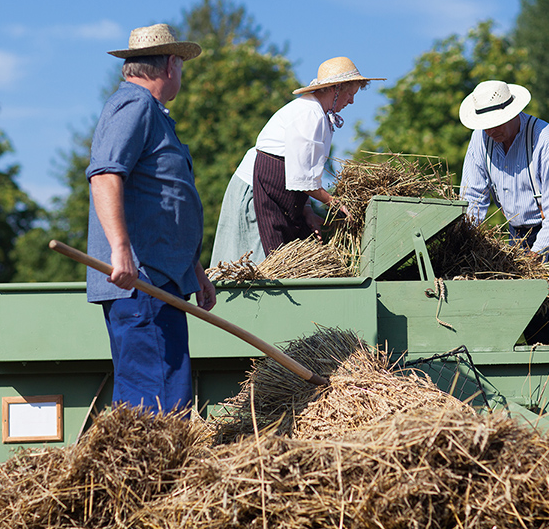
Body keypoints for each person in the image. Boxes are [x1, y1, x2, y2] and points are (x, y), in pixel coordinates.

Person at [86, 23, 216, 415]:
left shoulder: (151, 113)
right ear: (172, 64)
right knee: (158, 406)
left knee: (156, 398)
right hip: (143, 283)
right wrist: (120, 251)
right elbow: (106, 175)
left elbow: (164, 202)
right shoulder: (135, 106)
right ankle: (159, 479)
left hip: (163, 279)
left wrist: (194, 269)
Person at [458, 80, 549, 344]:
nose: (491, 130)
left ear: (513, 113)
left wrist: (535, 255)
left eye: (498, 122)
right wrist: (467, 242)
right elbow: (473, 197)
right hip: (518, 228)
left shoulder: (547, 142)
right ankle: (537, 360)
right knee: (526, 308)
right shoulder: (480, 140)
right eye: (486, 124)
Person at [244, 56, 384, 257]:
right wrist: (335, 203)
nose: (352, 101)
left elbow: (306, 174)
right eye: (350, 94)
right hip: (275, 177)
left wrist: (308, 209)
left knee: (301, 245)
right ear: (336, 89)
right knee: (280, 250)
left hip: (287, 182)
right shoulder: (309, 114)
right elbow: (302, 177)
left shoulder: (319, 114)